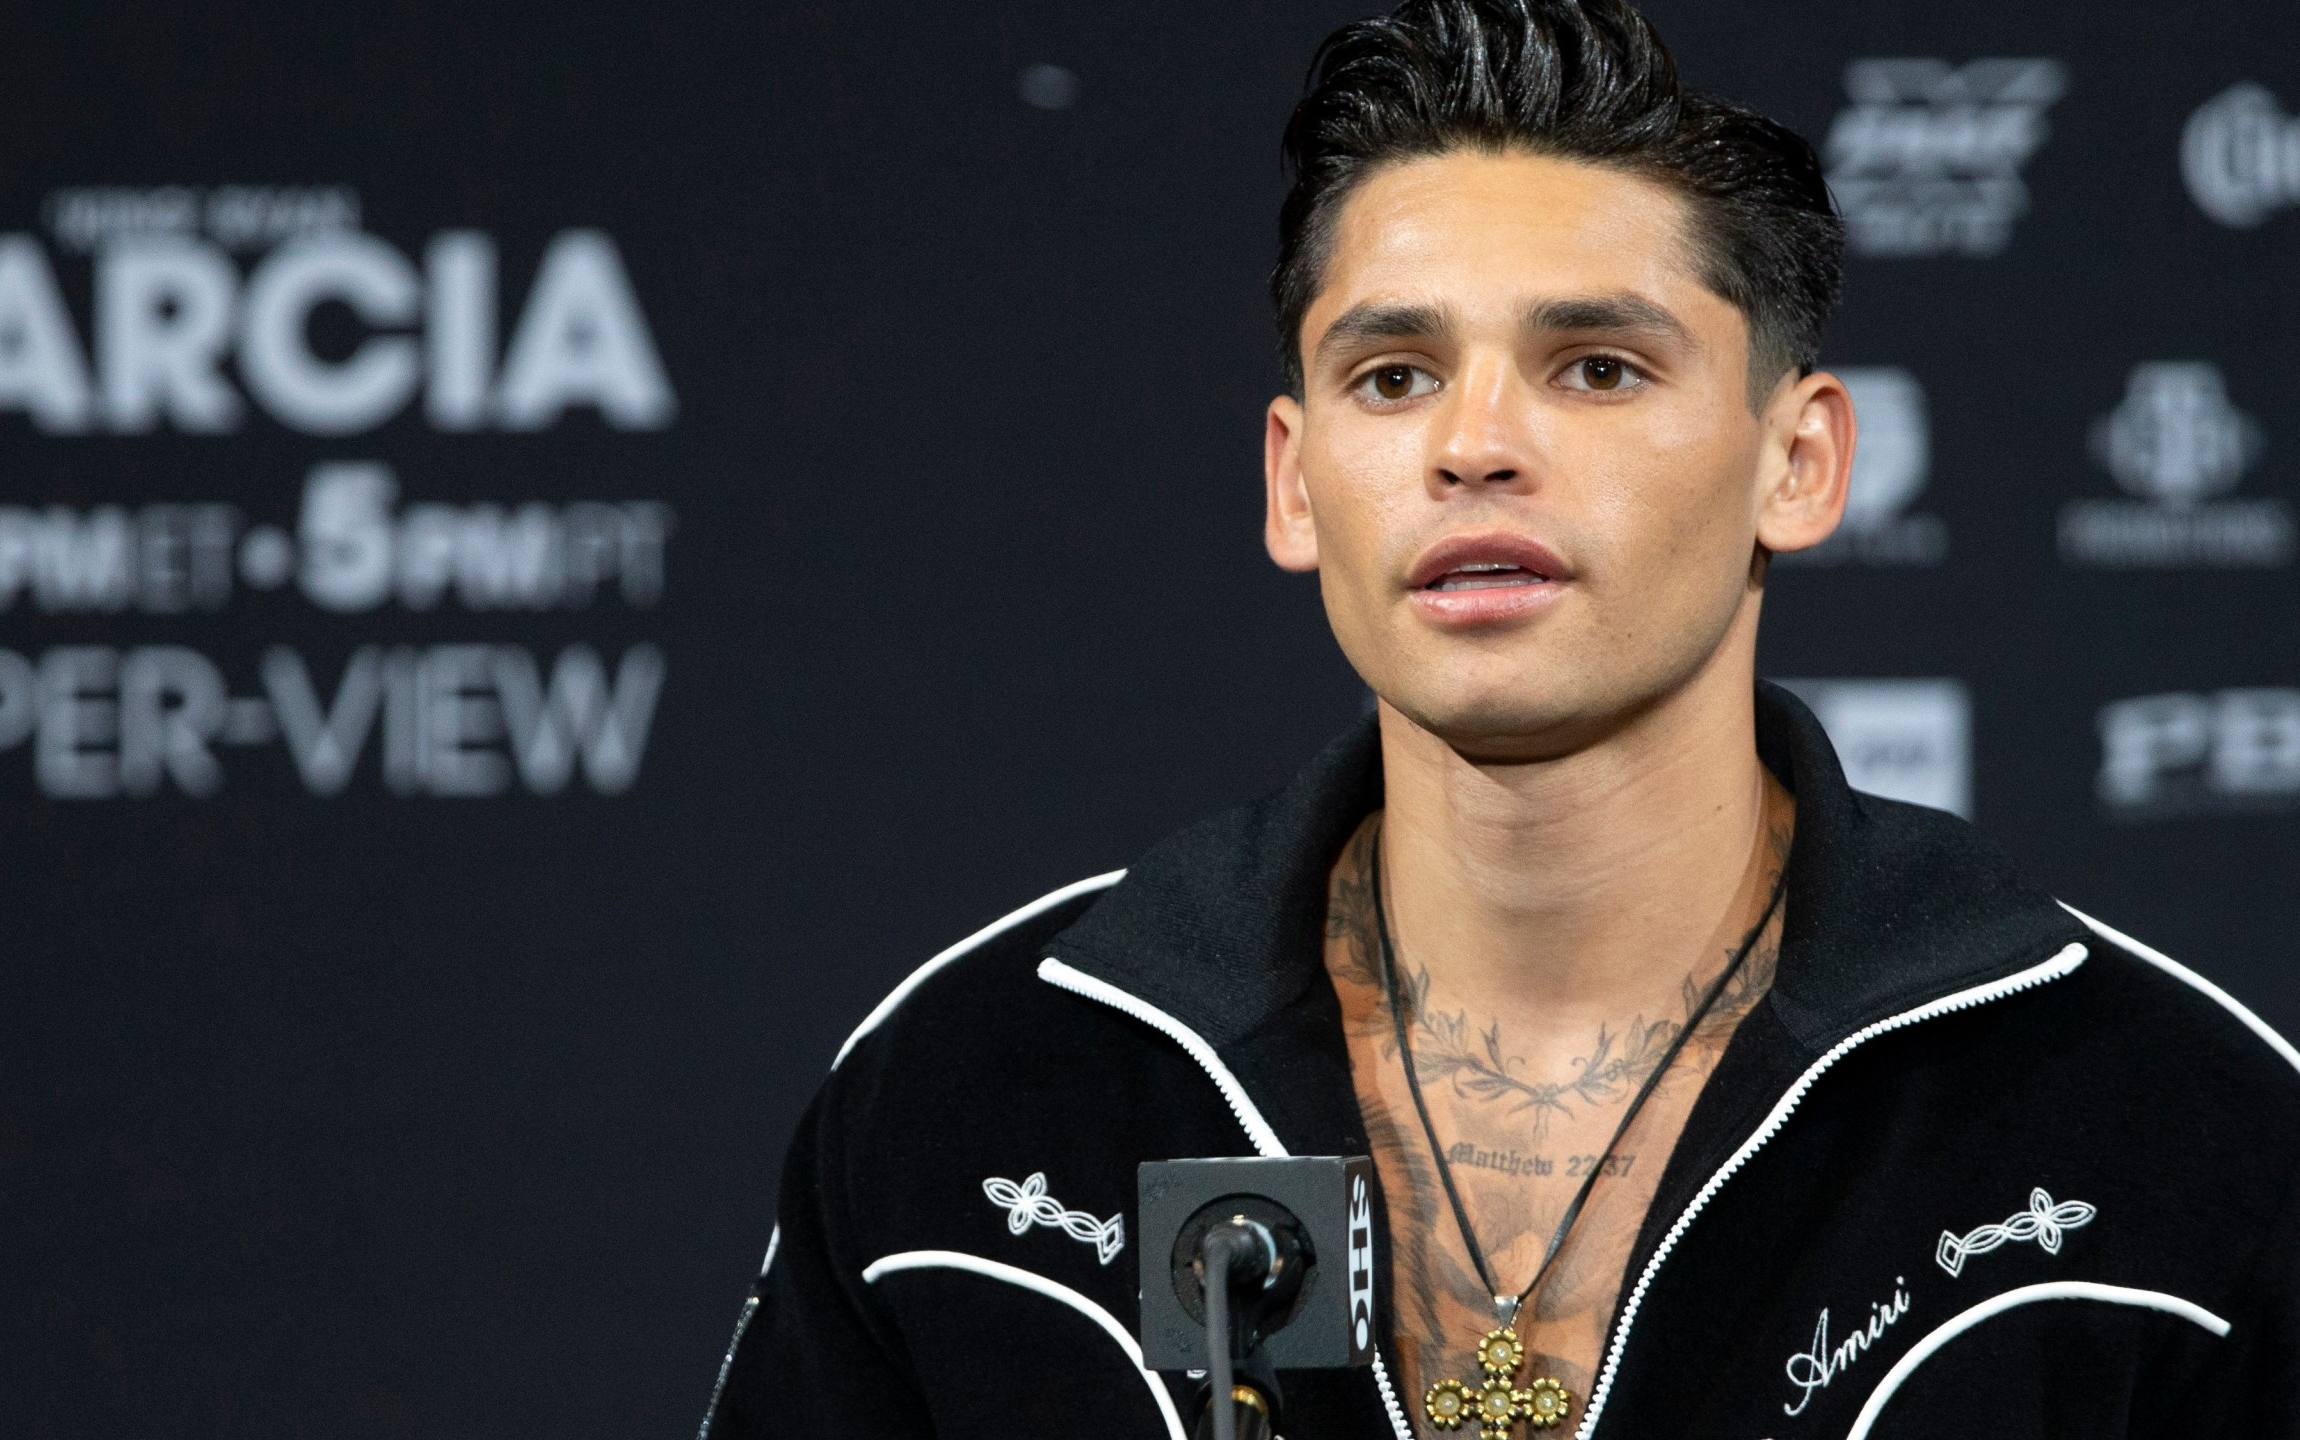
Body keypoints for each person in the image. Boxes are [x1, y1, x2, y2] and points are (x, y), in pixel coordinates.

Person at [699, 1, 2300, 1435]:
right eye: (1392, 376)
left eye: (1596, 367)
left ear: (1797, 463)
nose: (1474, 445)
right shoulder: (976, 1100)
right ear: (1292, 479)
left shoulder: (2168, 1133)